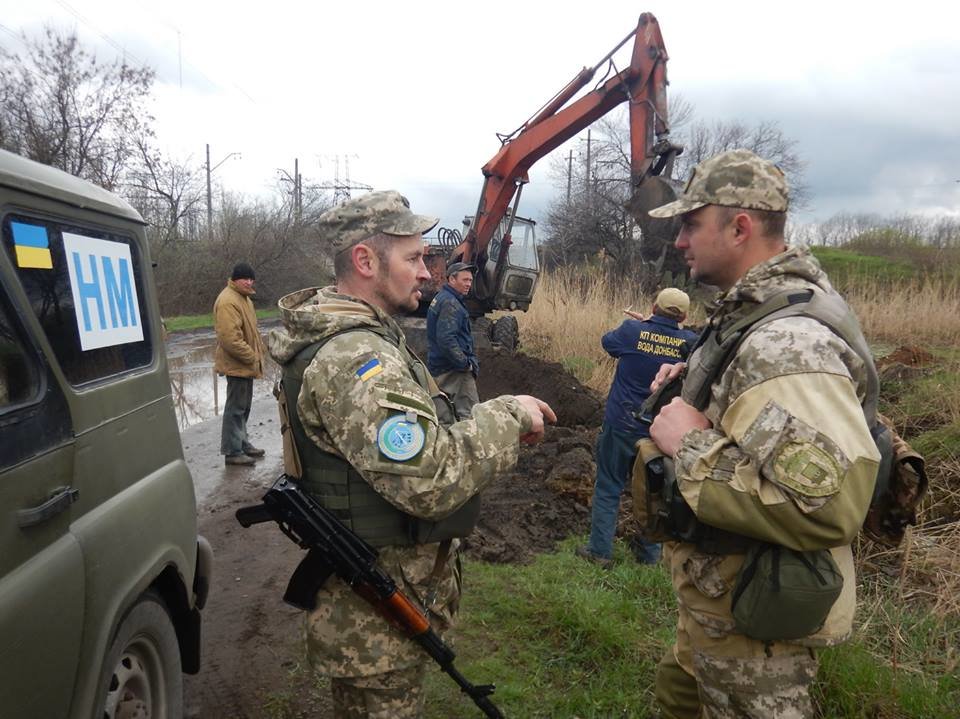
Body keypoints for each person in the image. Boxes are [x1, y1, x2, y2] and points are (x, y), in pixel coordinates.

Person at [266, 190, 555, 718]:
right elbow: (430, 478)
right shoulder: (356, 358)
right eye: (414, 257)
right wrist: (510, 414)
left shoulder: (365, 339)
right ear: (365, 261)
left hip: (378, 607)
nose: (427, 271)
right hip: (373, 622)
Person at [644, 149, 881, 718]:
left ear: (740, 228)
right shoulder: (755, 315)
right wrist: (697, 387)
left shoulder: (786, 341)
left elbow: (828, 507)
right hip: (720, 602)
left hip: (754, 628)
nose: (680, 241)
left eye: (691, 224)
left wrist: (689, 445)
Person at [576, 288, 697, 568]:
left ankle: (599, 552)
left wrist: (644, 327)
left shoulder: (632, 331)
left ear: (653, 307)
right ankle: (649, 557)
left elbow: (608, 343)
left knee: (608, 485)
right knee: (653, 492)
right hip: (659, 431)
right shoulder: (690, 343)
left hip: (621, 423)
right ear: (684, 317)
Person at [214, 262, 266, 466]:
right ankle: (233, 451)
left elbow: (251, 332)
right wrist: (252, 357)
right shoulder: (228, 301)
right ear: (235, 279)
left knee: (243, 408)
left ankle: (242, 443)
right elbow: (230, 339)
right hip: (237, 365)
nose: (249, 282)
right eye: (245, 278)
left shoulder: (244, 298)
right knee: (235, 409)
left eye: (251, 279)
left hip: (245, 365)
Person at [426, 260, 479, 421]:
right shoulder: (451, 303)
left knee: (443, 412)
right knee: (470, 415)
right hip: (454, 371)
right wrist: (465, 364)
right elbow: (446, 339)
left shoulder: (442, 298)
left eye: (470, 280)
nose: (469, 284)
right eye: (465, 280)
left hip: (440, 366)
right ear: (451, 279)